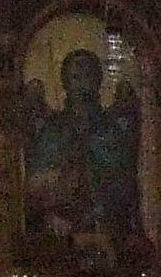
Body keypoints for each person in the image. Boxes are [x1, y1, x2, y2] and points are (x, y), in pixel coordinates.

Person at [22, 48, 141, 242]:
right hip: (60, 228)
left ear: (98, 81)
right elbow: (35, 186)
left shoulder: (111, 129)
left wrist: (99, 206)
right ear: (65, 83)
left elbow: (125, 181)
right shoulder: (53, 129)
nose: (82, 85)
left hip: (106, 226)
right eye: (76, 77)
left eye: (88, 76)